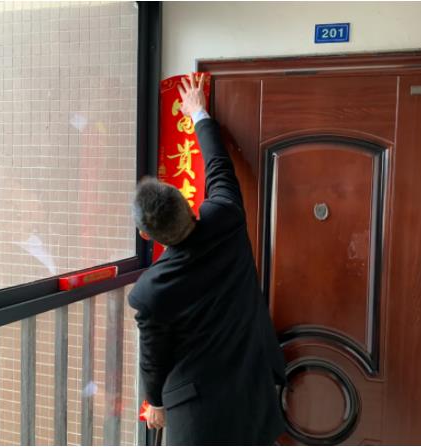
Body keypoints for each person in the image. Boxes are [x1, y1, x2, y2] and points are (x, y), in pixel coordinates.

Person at [128, 73, 286, 445]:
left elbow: (153, 359)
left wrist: (155, 403)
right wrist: (198, 112)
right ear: (187, 203)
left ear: (147, 235)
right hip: (253, 390)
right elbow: (219, 166)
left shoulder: (150, 291)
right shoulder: (225, 217)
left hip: (198, 419)